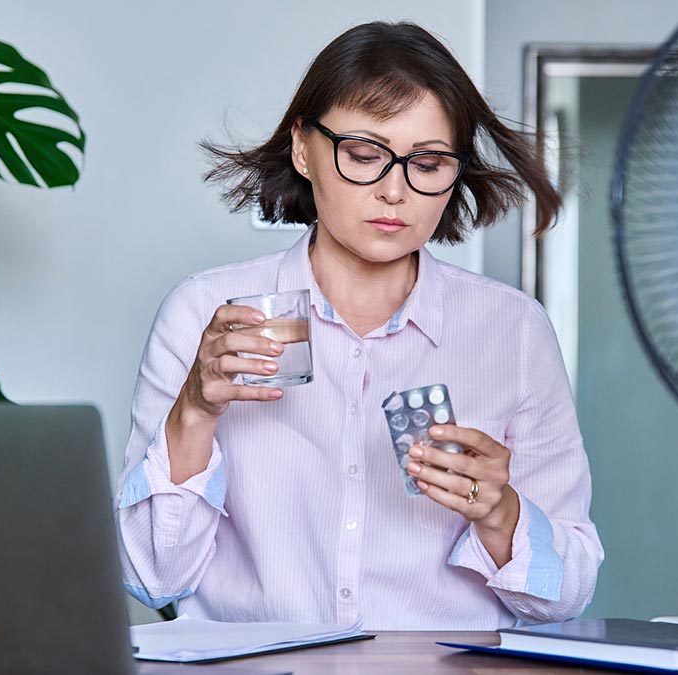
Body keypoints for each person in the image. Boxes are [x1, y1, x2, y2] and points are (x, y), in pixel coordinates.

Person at [115, 21, 602, 630]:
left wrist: (498, 511)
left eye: (427, 162)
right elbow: (151, 578)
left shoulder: (514, 333)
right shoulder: (203, 313)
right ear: (302, 148)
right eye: (365, 155)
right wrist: (194, 411)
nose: (395, 191)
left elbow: (568, 594)